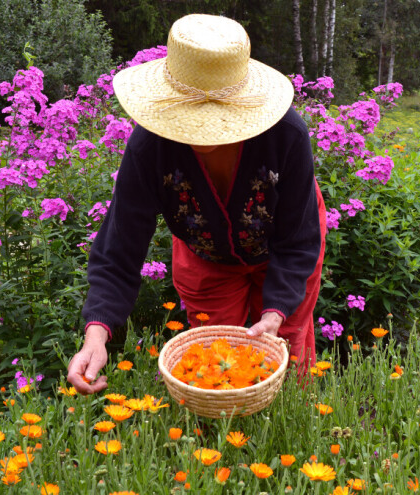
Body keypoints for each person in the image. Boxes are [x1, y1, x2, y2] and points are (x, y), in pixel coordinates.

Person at [67, 14, 326, 394]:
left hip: (286, 253)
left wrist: (274, 314)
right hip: (206, 259)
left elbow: (298, 241)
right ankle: (216, 447)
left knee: (282, 355)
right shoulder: (149, 147)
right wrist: (96, 336)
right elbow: (119, 248)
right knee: (212, 367)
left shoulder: (285, 135)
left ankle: (288, 437)